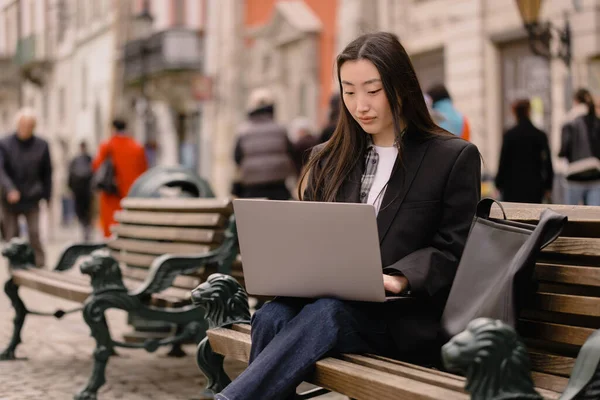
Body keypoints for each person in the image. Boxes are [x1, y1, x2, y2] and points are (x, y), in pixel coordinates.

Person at [214, 32, 481, 400]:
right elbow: (309, 236)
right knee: (272, 315)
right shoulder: (327, 159)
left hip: (400, 316)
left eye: (372, 90)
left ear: (400, 87)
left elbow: (456, 247)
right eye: (349, 91)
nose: (360, 105)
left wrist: (401, 278)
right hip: (325, 304)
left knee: (331, 312)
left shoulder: (451, 157)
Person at [0, 108, 52, 267]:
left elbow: (47, 173)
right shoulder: (5, 144)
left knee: (34, 233)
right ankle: (14, 265)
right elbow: (1, 170)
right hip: (10, 198)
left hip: (32, 195)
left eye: (29, 125)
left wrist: (47, 196)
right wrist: (9, 189)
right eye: (23, 125)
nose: (25, 129)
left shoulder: (42, 145)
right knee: (12, 235)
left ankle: (39, 264)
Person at [234, 88, 296, 200]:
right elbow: (292, 153)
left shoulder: (243, 131)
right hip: (278, 187)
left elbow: (237, 158)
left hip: (251, 188)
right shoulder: (281, 129)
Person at [93, 119, 147, 237]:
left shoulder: (107, 146)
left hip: (112, 195)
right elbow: (144, 171)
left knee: (111, 228)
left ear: (113, 128)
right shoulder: (136, 147)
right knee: (129, 228)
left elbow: (96, 166)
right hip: (131, 195)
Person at [495, 99, 553, 203]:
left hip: (512, 187)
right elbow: (548, 163)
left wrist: (498, 184)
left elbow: (503, 161)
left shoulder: (509, 135)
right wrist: (548, 186)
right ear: (529, 111)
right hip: (534, 186)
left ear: (514, 112)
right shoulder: (539, 135)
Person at [559, 88, 600, 205]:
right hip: (595, 174)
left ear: (575, 101)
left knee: (570, 217)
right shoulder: (596, 121)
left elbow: (563, 150)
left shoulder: (568, 121)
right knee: (593, 217)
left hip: (574, 176)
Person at [68, 141, 94, 241]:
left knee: (81, 210)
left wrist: (70, 187)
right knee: (85, 210)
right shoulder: (88, 159)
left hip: (79, 190)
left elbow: (70, 176)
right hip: (85, 190)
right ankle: (86, 226)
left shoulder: (76, 160)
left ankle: (85, 225)